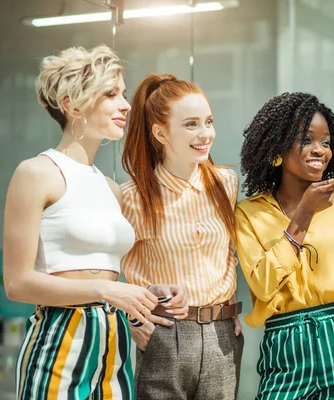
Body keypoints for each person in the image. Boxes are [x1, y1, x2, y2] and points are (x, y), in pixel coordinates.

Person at [3, 45, 184, 399]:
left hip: (115, 342)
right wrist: (107, 291)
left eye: (123, 94)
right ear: (72, 105)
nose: (126, 105)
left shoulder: (111, 188)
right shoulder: (37, 173)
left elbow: (101, 274)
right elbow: (17, 283)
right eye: (110, 94)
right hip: (60, 337)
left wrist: (145, 295)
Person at [235, 92, 334, 399]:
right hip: (285, 345)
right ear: (277, 148)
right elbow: (263, 285)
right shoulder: (248, 214)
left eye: (326, 142)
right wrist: (304, 214)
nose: (319, 150)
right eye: (306, 139)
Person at [120, 73, 244, 399]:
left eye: (209, 122)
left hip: (222, 333)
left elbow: (228, 253)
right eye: (191, 124)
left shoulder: (226, 184)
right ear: (161, 133)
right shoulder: (133, 197)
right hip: (165, 333)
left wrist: (228, 308)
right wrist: (133, 320)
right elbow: (106, 271)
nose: (205, 134)